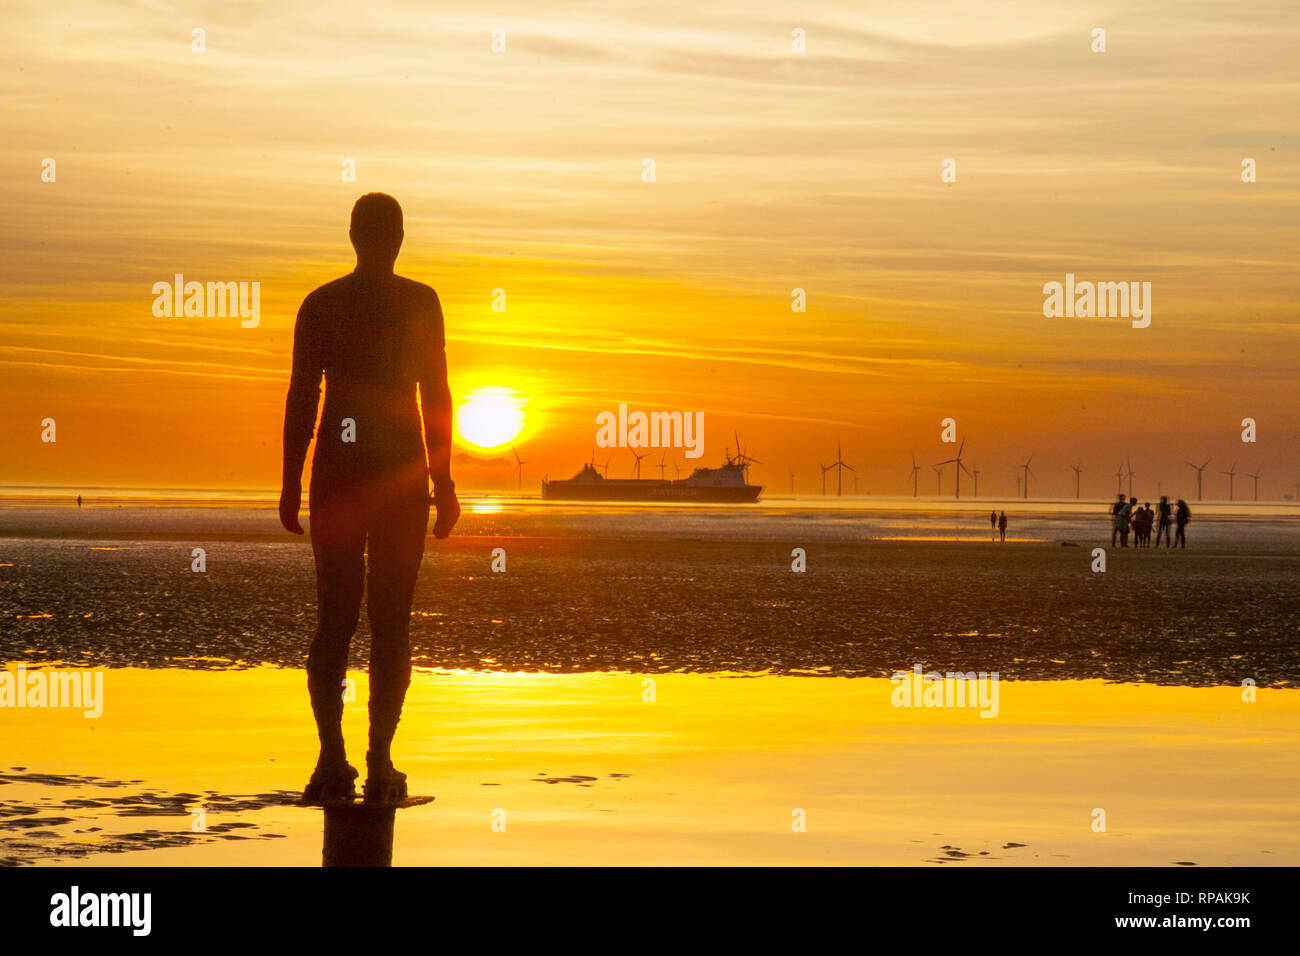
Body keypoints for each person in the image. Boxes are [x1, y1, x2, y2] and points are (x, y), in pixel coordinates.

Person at [280, 193, 460, 805]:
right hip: (388, 474)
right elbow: (436, 395)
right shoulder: (407, 301)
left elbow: (304, 396)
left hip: (356, 474)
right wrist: (444, 482)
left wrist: (289, 478)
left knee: (347, 616)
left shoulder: (329, 303)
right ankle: (362, 761)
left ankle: (352, 760)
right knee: (381, 620)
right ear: (387, 238)